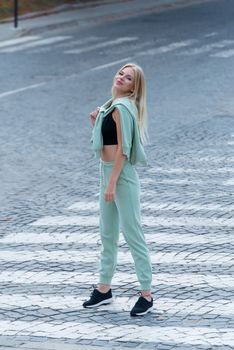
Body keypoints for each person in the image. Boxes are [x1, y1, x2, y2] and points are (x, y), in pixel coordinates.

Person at [83, 63, 153, 317]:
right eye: (121, 73)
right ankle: (104, 289)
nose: (121, 77)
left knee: (133, 233)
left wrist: (112, 182)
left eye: (128, 77)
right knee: (107, 234)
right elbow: (106, 144)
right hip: (107, 172)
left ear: (134, 86)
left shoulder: (122, 108)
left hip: (120, 176)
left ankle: (146, 293)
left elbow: (124, 149)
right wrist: (95, 123)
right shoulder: (109, 106)